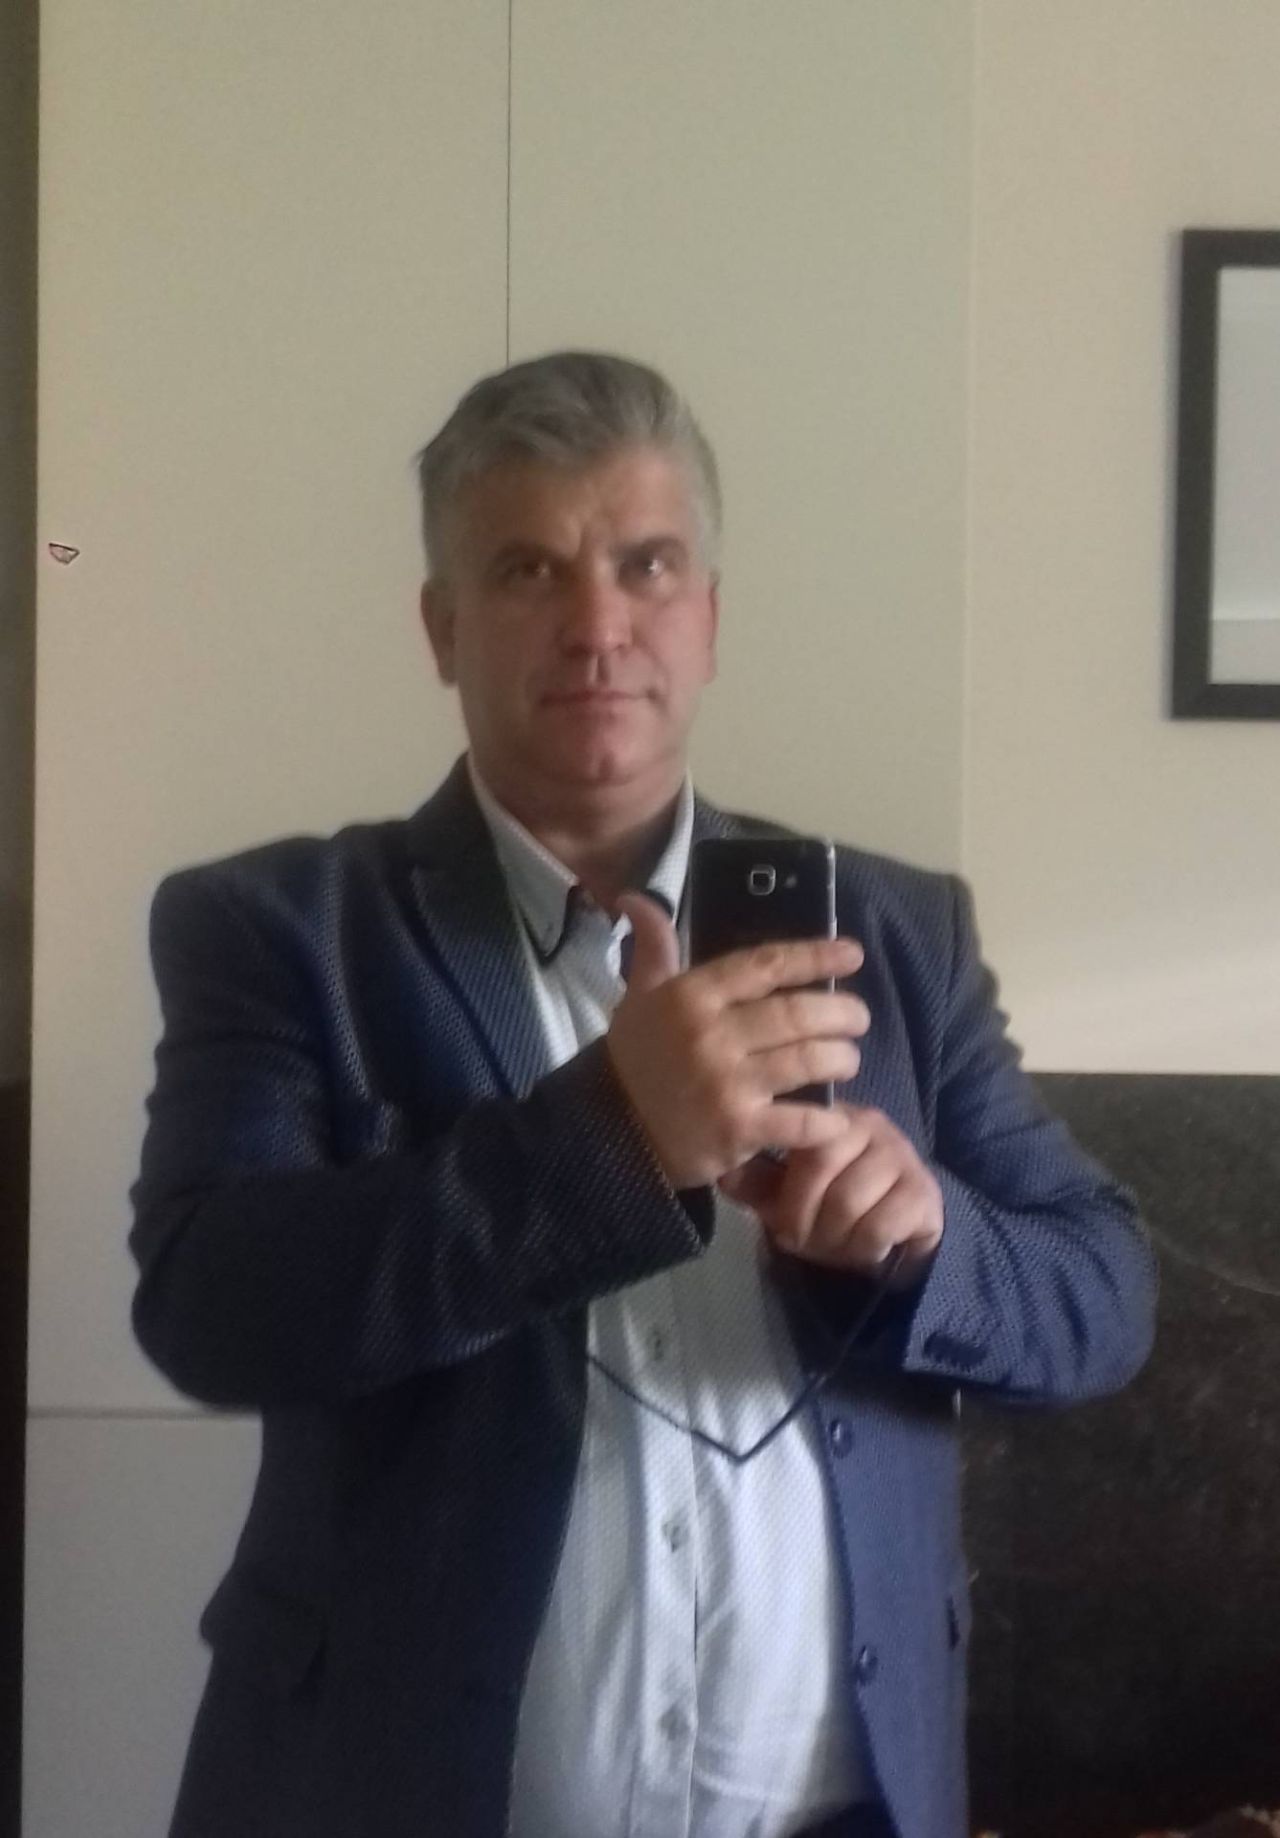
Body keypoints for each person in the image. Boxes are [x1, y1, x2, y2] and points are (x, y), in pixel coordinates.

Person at [130, 351, 1156, 1838]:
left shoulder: (898, 934)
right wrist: (613, 1138)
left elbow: (1104, 1291)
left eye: (647, 564)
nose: (599, 623)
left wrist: (929, 1237)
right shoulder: (282, 931)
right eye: (527, 568)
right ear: (441, 627)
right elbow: (211, 1306)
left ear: (710, 619)